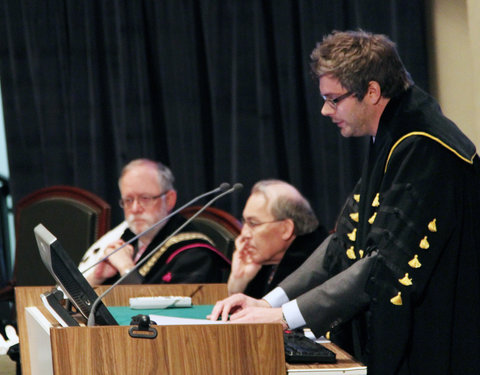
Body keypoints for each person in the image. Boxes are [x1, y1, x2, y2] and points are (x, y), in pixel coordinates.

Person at [208, 30, 480, 374]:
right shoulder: (395, 134)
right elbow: (343, 241)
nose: (325, 110)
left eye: (334, 99)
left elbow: (382, 267)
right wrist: (268, 301)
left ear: (372, 91)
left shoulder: (423, 145)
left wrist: (284, 317)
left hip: (441, 338)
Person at [79, 158, 230, 285]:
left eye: (145, 198)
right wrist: (96, 278)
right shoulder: (127, 240)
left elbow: (161, 315)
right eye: (128, 200)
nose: (135, 208)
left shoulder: (194, 255)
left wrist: (126, 268)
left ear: (169, 200)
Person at [227, 179, 328, 298]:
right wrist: (239, 281)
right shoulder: (268, 263)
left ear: (286, 229)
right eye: (244, 222)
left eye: (253, 223)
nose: (244, 234)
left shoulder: (317, 268)